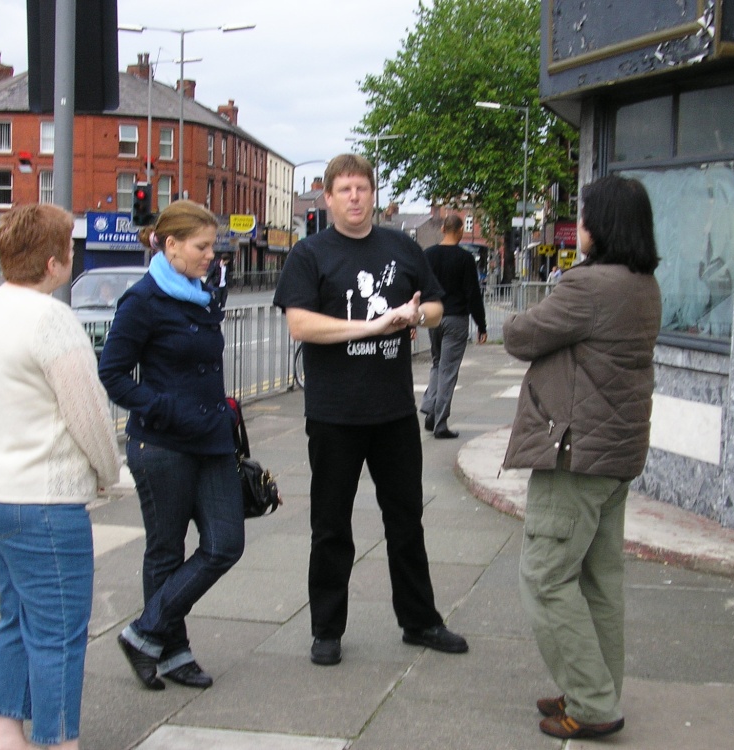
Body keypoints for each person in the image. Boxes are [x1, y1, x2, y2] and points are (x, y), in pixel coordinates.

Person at [273, 153, 468, 667]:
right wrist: (371, 326)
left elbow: (436, 309)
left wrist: (412, 314)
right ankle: (326, 630)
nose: (355, 197)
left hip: (393, 413)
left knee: (406, 521)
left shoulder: (402, 247)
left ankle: (421, 620)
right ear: (329, 197)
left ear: (373, 195)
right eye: (345, 190)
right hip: (335, 413)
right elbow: (301, 325)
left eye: (362, 188)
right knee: (331, 525)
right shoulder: (309, 255)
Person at [502, 175, 661, 740]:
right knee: (598, 580)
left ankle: (591, 702)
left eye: (585, 216)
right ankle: (592, 685)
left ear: (605, 224)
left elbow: (521, 335)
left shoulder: (590, 287)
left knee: (544, 576)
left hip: (577, 455)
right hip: (616, 454)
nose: (580, 225)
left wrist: (517, 317)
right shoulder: (644, 284)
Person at [0, 203, 122, 750]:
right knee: (59, 632)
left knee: (16, 617)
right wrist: (109, 472)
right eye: (71, 248)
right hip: (42, 501)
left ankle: (7, 735)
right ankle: (59, 743)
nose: (72, 257)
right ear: (54, 262)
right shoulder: (52, 320)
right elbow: (90, 414)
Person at [98, 200, 244, 691]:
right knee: (165, 550)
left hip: (212, 441)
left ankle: (144, 634)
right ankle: (173, 651)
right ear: (173, 245)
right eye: (203, 247)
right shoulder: (143, 301)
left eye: (214, 246)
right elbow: (113, 375)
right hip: (162, 444)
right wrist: (164, 408)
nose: (212, 256)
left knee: (225, 544)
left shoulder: (201, 295)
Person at [420, 214, 488, 440]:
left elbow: (420, 287)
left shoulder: (428, 255)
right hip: (456, 319)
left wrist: (416, 318)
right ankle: (440, 423)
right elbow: (472, 294)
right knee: (449, 370)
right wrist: (481, 324)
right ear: (459, 230)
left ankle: (430, 405)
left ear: (442, 230)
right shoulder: (465, 259)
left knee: (437, 363)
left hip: (433, 317)